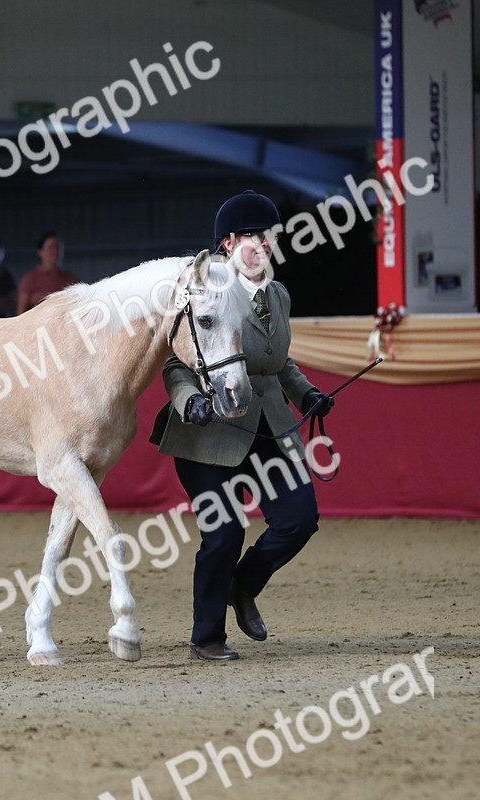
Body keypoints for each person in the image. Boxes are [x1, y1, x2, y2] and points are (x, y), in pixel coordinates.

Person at [151, 190, 334, 662]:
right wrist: (188, 399)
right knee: (225, 533)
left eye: (269, 235)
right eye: (255, 236)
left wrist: (306, 394)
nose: (265, 244)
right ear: (229, 243)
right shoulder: (203, 289)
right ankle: (206, 636)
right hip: (208, 431)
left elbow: (279, 362)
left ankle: (240, 586)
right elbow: (176, 361)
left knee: (299, 520)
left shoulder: (278, 294)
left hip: (269, 426)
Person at [16, 232, 80, 313]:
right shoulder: (30, 279)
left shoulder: (71, 279)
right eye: (51, 247)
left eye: (58, 247)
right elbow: (21, 312)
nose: (55, 251)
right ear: (40, 251)